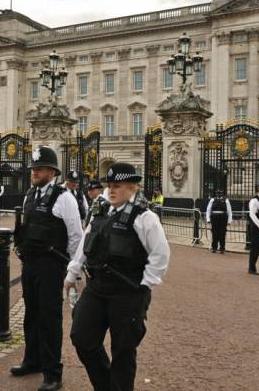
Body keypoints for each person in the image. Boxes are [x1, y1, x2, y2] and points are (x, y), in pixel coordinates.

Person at [66, 162, 170, 391]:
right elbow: (85, 243)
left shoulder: (145, 217)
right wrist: (73, 272)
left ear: (133, 188)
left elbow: (160, 254)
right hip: (97, 287)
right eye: (110, 185)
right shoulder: (100, 212)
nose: (111, 190)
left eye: (118, 186)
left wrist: (145, 285)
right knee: (82, 337)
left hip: (128, 291)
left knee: (123, 351)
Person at [10, 146, 83, 391]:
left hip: (52, 265)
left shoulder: (64, 198)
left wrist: (72, 268)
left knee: (49, 318)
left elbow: (75, 235)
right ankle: (33, 360)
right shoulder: (29, 195)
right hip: (30, 263)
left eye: (39, 169)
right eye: (33, 168)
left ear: (52, 172)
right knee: (31, 314)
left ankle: (53, 373)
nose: (34, 172)